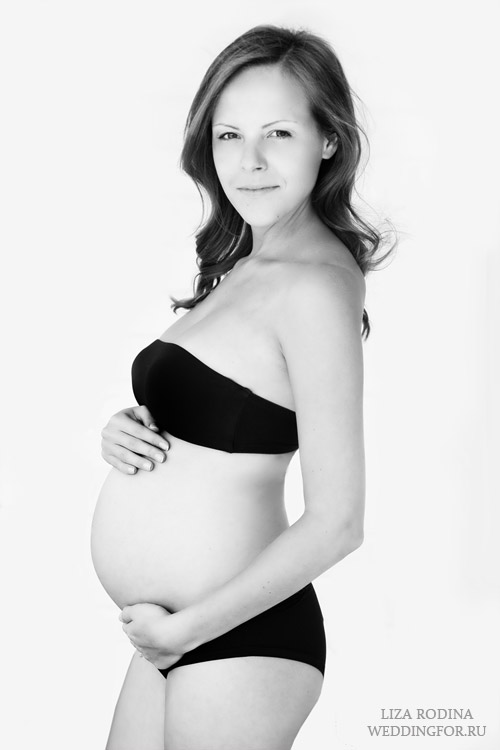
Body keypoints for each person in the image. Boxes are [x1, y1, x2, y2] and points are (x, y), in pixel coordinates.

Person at [92, 23, 395, 750]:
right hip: (173, 636)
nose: (249, 161)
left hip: (233, 637)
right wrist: (130, 430)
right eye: (229, 136)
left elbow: (339, 522)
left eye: (279, 134)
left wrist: (188, 631)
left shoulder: (316, 286)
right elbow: (231, 417)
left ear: (329, 140)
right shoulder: (243, 270)